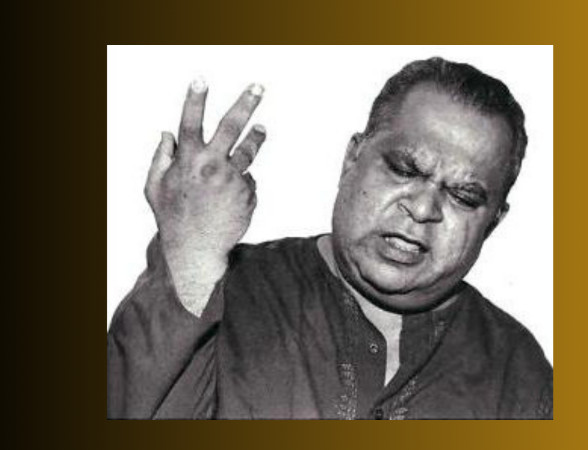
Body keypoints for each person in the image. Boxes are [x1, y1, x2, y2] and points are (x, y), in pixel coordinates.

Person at [107, 57, 553, 419]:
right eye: (404, 169)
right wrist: (190, 250)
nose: (422, 209)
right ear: (352, 158)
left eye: (463, 196)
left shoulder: (521, 374)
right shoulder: (222, 288)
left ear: (494, 222)